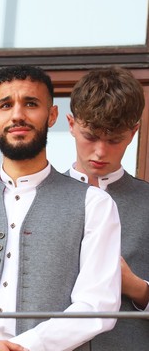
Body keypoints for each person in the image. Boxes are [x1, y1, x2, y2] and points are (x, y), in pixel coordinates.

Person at [0, 65, 122, 351]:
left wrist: (27, 346)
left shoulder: (95, 204)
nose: (17, 115)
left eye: (30, 103)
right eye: (6, 105)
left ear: (51, 116)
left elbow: (98, 304)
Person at [66, 66, 149, 349]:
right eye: (90, 136)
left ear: (134, 132)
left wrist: (139, 288)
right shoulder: (34, 196)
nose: (100, 151)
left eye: (114, 140)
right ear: (71, 124)